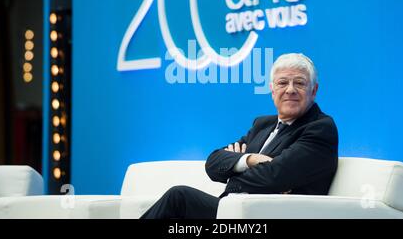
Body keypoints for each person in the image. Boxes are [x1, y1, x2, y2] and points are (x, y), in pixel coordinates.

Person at [140, 53, 338, 219]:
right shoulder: (263, 124)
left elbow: (275, 176)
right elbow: (213, 162)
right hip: (234, 212)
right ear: (272, 90)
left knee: (179, 198)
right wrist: (250, 159)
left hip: (271, 216)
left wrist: (234, 172)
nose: (290, 89)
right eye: (283, 82)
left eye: (300, 83)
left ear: (314, 90)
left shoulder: (320, 128)